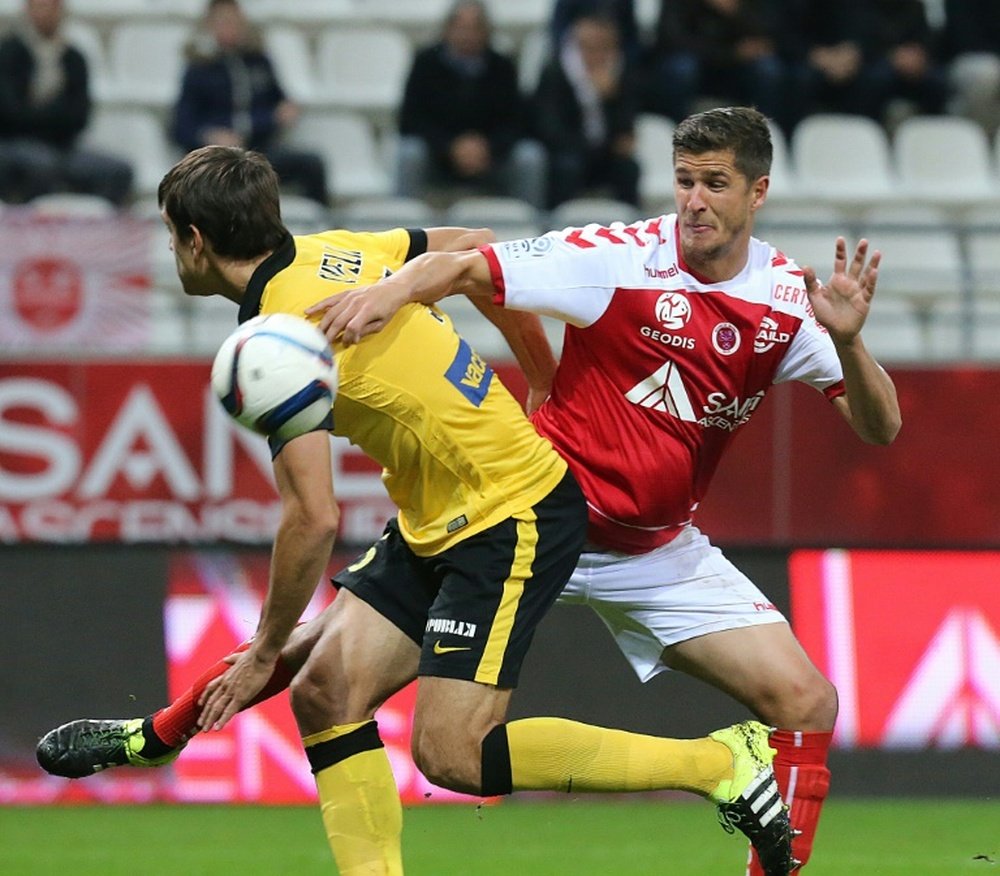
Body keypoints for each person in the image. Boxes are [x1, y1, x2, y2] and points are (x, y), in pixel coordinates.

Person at [36, 144, 795, 876]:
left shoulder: (276, 345)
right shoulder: (330, 249)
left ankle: (720, 762)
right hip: (442, 517)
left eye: (173, 236)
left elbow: (313, 520)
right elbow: (475, 248)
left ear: (195, 241)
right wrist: (537, 368)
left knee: (453, 754)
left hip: (510, 515)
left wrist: (264, 646)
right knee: (327, 689)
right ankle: (165, 743)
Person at [300, 106, 902, 874]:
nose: (693, 201)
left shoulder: (786, 300)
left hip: (656, 550)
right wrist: (390, 295)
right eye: (684, 181)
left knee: (807, 703)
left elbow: (879, 427)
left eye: (714, 184)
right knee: (341, 694)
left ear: (758, 192)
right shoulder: (614, 258)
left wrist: (850, 346)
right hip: (525, 523)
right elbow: (466, 264)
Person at [171, 0, 328, 205]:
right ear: (210, 25)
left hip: (259, 150)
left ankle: (320, 229)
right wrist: (208, 135)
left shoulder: (258, 61)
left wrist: (280, 114)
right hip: (218, 159)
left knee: (310, 164)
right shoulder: (199, 69)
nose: (230, 27)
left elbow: (279, 105)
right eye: (223, 21)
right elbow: (181, 126)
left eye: (234, 21)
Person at [395, 0, 546, 209]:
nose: (468, 35)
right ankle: (405, 229)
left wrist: (487, 147)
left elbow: (517, 121)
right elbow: (411, 119)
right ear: (447, 29)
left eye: (475, 28)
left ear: (487, 32)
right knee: (409, 153)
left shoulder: (502, 67)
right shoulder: (426, 64)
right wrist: (450, 147)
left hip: (492, 157)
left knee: (529, 156)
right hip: (439, 157)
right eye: (461, 27)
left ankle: (532, 229)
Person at [0, 0, 133, 206]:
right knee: (40, 164)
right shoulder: (8, 54)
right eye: (40, 5)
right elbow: (9, 114)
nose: (46, 12)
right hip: (14, 145)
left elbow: (80, 116)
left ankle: (93, 230)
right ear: (28, 9)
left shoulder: (74, 58)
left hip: (63, 148)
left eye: (51, 6)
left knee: (118, 171)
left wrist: (39, 115)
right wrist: (54, 116)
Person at [532, 12, 642, 208]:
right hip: (569, 150)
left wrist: (611, 99)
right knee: (567, 167)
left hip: (606, 153)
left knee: (629, 168)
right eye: (589, 48)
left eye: (604, 48)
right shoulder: (556, 73)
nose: (596, 55)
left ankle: (633, 232)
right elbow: (549, 127)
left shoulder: (623, 74)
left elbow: (626, 131)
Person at [646, 0, 788, 133]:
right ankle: (678, 130)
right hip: (700, 61)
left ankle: (762, 130)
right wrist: (728, 53)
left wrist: (735, 12)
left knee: (767, 67)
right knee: (681, 68)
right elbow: (671, 39)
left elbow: (769, 35)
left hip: (737, 66)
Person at [942, 0, 1000, 134]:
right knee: (986, 73)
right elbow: (967, 40)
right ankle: (981, 137)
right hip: (966, 60)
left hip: (991, 58)